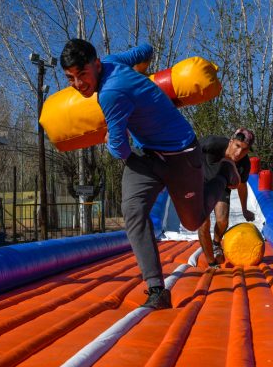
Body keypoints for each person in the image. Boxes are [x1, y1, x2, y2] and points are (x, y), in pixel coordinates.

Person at [60, 39, 240, 310]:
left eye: (82, 75)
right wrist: (142, 77)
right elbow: (145, 49)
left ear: (96, 65)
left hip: (181, 153)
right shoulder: (113, 61)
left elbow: (119, 149)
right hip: (147, 155)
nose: (78, 84)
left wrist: (111, 137)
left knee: (193, 223)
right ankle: (157, 289)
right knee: (133, 211)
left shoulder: (111, 93)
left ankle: (225, 172)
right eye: (70, 78)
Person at [197, 129, 256, 267]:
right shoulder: (212, 144)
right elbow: (189, 150)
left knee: (222, 220)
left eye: (245, 150)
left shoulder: (244, 164)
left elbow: (241, 186)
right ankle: (211, 262)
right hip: (198, 181)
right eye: (237, 146)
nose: (239, 153)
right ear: (231, 141)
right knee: (203, 223)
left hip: (220, 184)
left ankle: (216, 243)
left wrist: (244, 209)